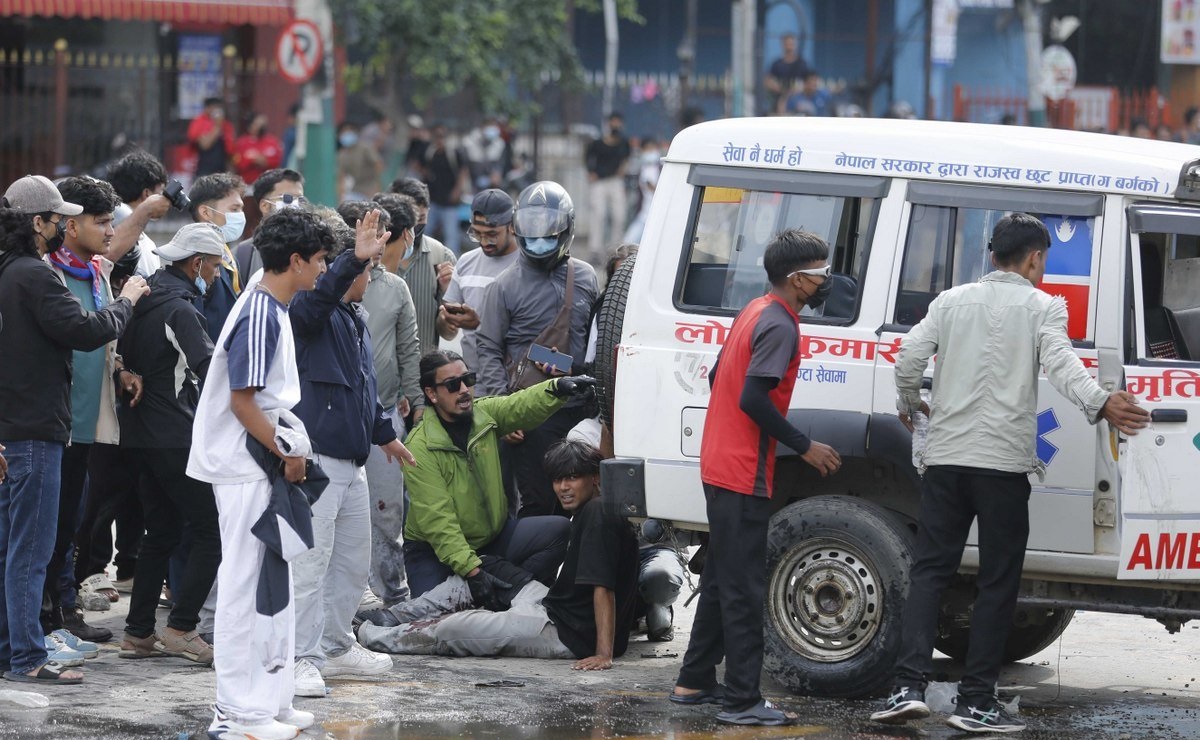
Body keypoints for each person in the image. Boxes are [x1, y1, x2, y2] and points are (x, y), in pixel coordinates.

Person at [871, 213, 1151, 734]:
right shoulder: (1043, 306)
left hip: (947, 462)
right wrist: (1100, 402)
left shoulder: (951, 301)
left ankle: (905, 688)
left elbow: (909, 355)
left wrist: (910, 402)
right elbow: (1063, 366)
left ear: (992, 255)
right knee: (997, 583)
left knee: (930, 571)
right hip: (1000, 466)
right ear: (1034, 258)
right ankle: (975, 703)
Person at [670, 229, 842, 727]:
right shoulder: (781, 325)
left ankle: (694, 679)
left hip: (719, 462)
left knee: (724, 577)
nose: (825, 281)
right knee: (744, 588)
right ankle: (742, 700)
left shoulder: (755, 309)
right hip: (743, 470)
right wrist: (804, 446)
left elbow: (718, 376)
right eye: (820, 273)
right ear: (797, 279)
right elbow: (752, 398)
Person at [187, 207, 336, 740]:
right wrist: (287, 452)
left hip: (264, 461)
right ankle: (235, 714)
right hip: (247, 463)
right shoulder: (258, 311)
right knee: (246, 587)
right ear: (294, 261)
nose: (322, 270)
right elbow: (243, 401)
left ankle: (271, 701)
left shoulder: (270, 303)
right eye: (318, 260)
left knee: (275, 583)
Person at [0, 175, 148, 686]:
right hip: (36, 431)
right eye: (57, 218)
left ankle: (11, 651)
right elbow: (86, 331)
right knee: (30, 551)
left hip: (11, 431)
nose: (64, 225)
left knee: (11, 548)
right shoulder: (35, 276)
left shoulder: (8, 271)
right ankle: (26, 657)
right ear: (36, 223)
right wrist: (125, 300)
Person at [358, 439, 639, 670]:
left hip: (567, 634)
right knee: (486, 567)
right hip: (553, 607)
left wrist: (604, 653)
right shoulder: (595, 509)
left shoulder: (598, 513)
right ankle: (394, 616)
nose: (563, 487)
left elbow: (603, 586)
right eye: (557, 479)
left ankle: (371, 636)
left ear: (595, 478)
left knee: (454, 630)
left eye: (572, 478)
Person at [286, 206, 415, 699]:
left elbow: (366, 391)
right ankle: (297, 656)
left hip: (354, 462)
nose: (373, 277)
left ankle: (335, 648)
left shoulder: (354, 319)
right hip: (316, 462)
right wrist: (349, 260)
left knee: (351, 564)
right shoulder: (308, 313)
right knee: (309, 565)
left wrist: (385, 433)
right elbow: (317, 299)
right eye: (367, 268)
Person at [117, 223, 225, 666]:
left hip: (138, 434)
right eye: (215, 268)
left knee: (159, 530)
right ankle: (181, 627)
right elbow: (209, 367)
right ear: (196, 264)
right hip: (174, 435)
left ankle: (138, 631)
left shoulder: (142, 298)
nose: (216, 277)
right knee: (209, 531)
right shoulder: (179, 308)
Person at [399, 350, 592, 598]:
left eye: (467, 380)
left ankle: (507, 591)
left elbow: (519, 405)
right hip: (434, 551)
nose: (464, 390)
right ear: (431, 394)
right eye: (452, 385)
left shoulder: (483, 414)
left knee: (559, 531)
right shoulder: (419, 448)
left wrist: (557, 387)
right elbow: (439, 524)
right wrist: (473, 571)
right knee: (436, 618)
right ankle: (501, 589)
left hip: (491, 540)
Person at [39, 177, 128, 648]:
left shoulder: (96, 272)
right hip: (53, 421)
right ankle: (48, 616)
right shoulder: (44, 273)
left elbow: (103, 339)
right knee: (49, 525)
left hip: (90, 421)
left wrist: (120, 369)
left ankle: (65, 610)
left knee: (72, 519)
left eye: (112, 220)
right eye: (101, 221)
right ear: (69, 226)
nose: (110, 230)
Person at [476, 181, 599, 518]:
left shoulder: (586, 277)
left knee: (587, 506)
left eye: (549, 233)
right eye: (533, 232)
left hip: (578, 410)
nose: (540, 241)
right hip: (530, 415)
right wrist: (504, 411)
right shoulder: (504, 286)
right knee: (537, 506)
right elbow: (487, 349)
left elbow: (596, 340)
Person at [350, 197, 422, 606]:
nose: (379, 245)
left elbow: (408, 348)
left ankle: (392, 593)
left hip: (386, 414)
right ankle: (353, 594)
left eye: (382, 237)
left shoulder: (395, 288)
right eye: (371, 236)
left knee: (388, 509)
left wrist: (414, 397)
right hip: (342, 417)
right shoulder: (330, 288)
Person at [437, 188, 521, 369]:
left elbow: (530, 328)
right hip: (474, 380)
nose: (483, 242)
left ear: (512, 226)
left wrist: (480, 325)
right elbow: (448, 334)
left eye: (492, 235)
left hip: (517, 380)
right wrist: (446, 321)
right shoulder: (466, 262)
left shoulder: (527, 264)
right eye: (476, 233)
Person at [376, 182, 456, 356]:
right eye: (407, 222)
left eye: (419, 220)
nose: (412, 231)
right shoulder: (369, 260)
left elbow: (450, 333)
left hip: (422, 372)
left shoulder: (441, 257)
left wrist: (449, 303)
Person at [189, 173, 247, 341]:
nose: (240, 216)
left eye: (241, 209)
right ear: (206, 212)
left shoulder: (226, 252)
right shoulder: (195, 256)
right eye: (234, 209)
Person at [106, 149, 172, 278]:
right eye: (162, 191)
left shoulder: (149, 244)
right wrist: (146, 210)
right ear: (147, 194)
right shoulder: (108, 237)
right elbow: (102, 263)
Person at [235, 168, 306, 280]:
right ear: (265, 206)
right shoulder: (244, 254)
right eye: (287, 198)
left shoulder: (312, 250)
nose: (295, 205)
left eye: (300, 200)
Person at [584, 113, 630, 262]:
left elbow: (626, 157)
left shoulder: (623, 142)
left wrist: (623, 169)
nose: (616, 125)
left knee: (619, 215)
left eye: (618, 122)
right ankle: (595, 250)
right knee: (599, 215)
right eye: (613, 122)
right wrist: (590, 173)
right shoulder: (598, 143)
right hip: (599, 182)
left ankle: (616, 250)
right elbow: (587, 157)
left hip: (616, 181)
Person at [420, 123, 468, 255]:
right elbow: (425, 170)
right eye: (437, 136)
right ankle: (423, 258)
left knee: (451, 235)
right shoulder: (431, 153)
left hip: (449, 202)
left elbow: (463, 171)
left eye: (442, 136)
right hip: (434, 200)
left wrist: (457, 190)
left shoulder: (453, 153)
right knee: (426, 231)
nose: (439, 139)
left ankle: (453, 263)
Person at [622, 138, 661, 244]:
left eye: (652, 148)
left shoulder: (663, 168)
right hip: (643, 215)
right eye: (647, 149)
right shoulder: (640, 169)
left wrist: (655, 188)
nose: (650, 152)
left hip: (659, 216)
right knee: (628, 243)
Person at [188, 97, 235, 178]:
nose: (218, 111)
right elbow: (204, 145)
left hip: (222, 169)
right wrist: (217, 127)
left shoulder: (226, 124)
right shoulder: (199, 122)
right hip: (204, 169)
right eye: (215, 108)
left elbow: (230, 150)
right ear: (207, 108)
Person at [232, 112, 284, 186]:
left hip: (269, 183)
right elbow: (238, 163)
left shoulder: (272, 141)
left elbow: (278, 160)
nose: (260, 128)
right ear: (250, 126)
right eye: (256, 124)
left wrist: (264, 161)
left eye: (262, 125)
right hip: (247, 184)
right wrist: (252, 159)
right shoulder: (241, 142)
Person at [462, 117, 512, 193]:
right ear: (483, 126)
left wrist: (496, 175)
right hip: (472, 186)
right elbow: (465, 167)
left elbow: (499, 166)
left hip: (492, 187)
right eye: (490, 125)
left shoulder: (499, 144)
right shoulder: (469, 143)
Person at [337, 121, 383, 202]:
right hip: (354, 191)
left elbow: (378, 165)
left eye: (348, 131)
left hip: (369, 189)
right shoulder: (343, 154)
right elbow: (341, 177)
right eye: (343, 132)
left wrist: (376, 188)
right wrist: (341, 197)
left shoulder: (365, 148)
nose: (346, 134)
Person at [764, 34, 809, 115]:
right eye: (787, 44)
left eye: (791, 44)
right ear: (782, 45)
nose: (789, 47)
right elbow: (768, 81)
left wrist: (796, 91)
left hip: (798, 99)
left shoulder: (801, 64)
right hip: (778, 98)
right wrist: (781, 90)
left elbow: (808, 81)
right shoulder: (776, 64)